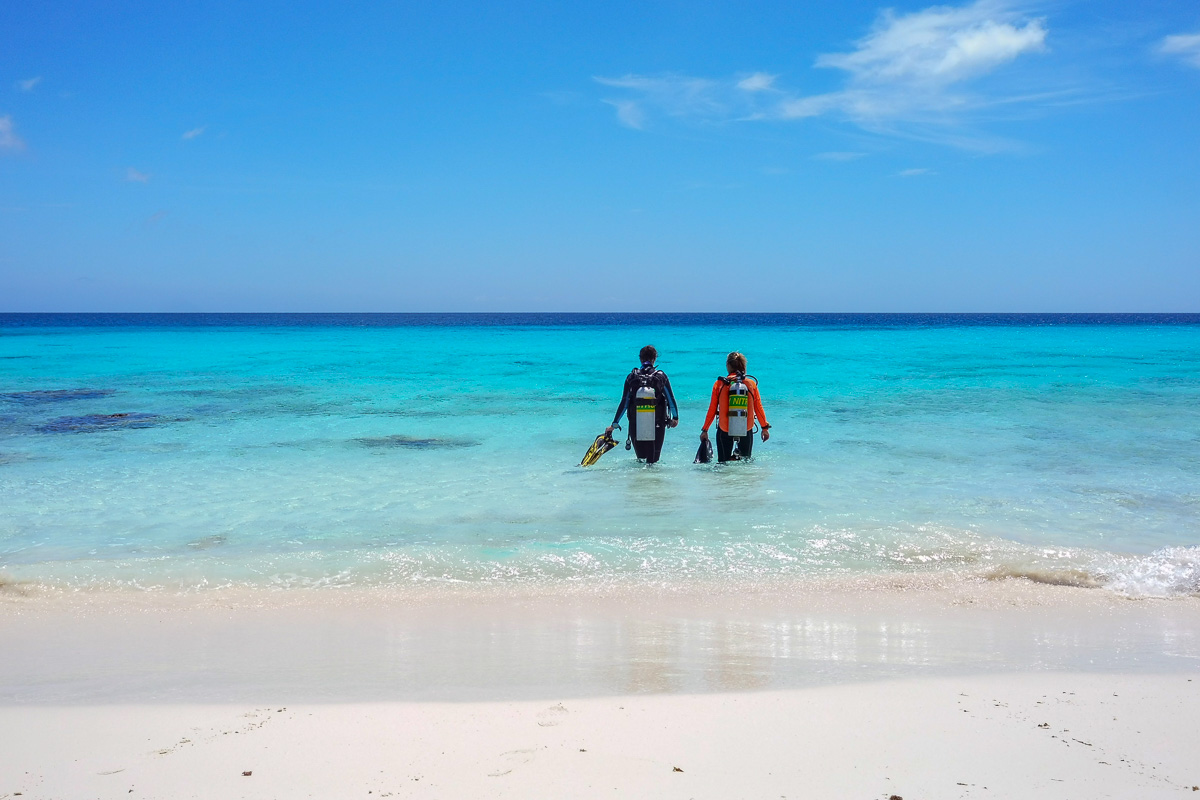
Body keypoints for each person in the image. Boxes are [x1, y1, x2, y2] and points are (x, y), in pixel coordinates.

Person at [606, 345, 679, 464]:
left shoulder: (632, 377)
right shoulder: (660, 376)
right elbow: (671, 399)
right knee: (653, 462)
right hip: (657, 424)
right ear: (655, 358)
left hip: (636, 424)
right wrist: (675, 418)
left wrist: (614, 424)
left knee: (641, 461)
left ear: (640, 359)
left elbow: (624, 403)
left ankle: (640, 481)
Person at [700, 351, 770, 462]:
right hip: (745, 428)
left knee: (723, 464)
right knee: (746, 463)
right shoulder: (750, 384)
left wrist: (705, 430)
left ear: (728, 365)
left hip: (724, 429)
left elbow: (712, 409)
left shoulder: (719, 384)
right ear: (743, 365)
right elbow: (758, 407)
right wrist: (764, 428)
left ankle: (725, 480)